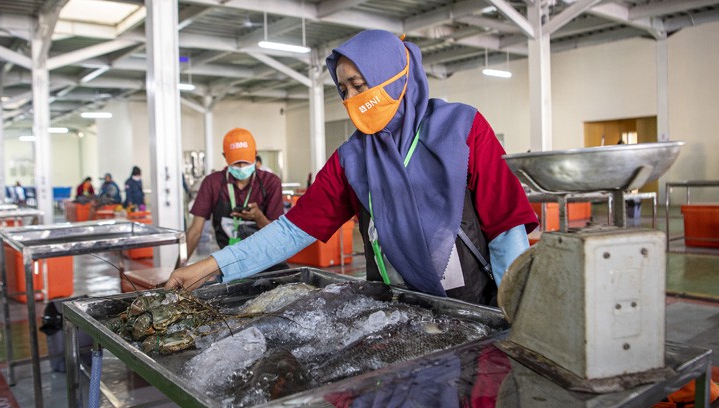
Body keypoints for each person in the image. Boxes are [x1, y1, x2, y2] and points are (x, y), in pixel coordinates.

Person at [167, 30, 537, 306]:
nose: (352, 100)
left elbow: (506, 228)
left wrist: (515, 314)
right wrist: (210, 267)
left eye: (359, 85)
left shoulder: (462, 129)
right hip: (395, 310)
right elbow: (291, 231)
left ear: (395, 77)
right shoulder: (352, 159)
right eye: (343, 90)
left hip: (472, 306)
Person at [180, 128, 286, 271]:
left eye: (246, 162)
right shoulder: (213, 183)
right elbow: (195, 231)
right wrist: (177, 270)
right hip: (230, 263)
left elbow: (277, 236)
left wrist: (259, 217)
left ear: (255, 155)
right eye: (236, 163)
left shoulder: (271, 183)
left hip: (267, 262)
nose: (242, 167)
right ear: (225, 157)